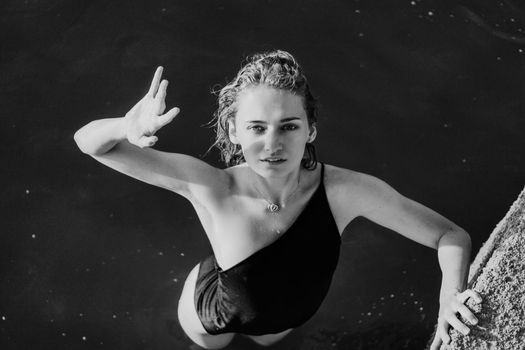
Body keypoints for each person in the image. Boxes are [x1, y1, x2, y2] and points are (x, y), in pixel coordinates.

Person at [74, 50, 481, 350]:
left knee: (272, 340)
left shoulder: (346, 191)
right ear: (234, 132)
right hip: (210, 317)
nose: (273, 145)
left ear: (311, 130)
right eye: (256, 127)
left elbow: (449, 234)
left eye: (289, 126)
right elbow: (92, 145)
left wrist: (450, 297)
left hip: (282, 324)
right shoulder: (211, 187)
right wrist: (125, 127)